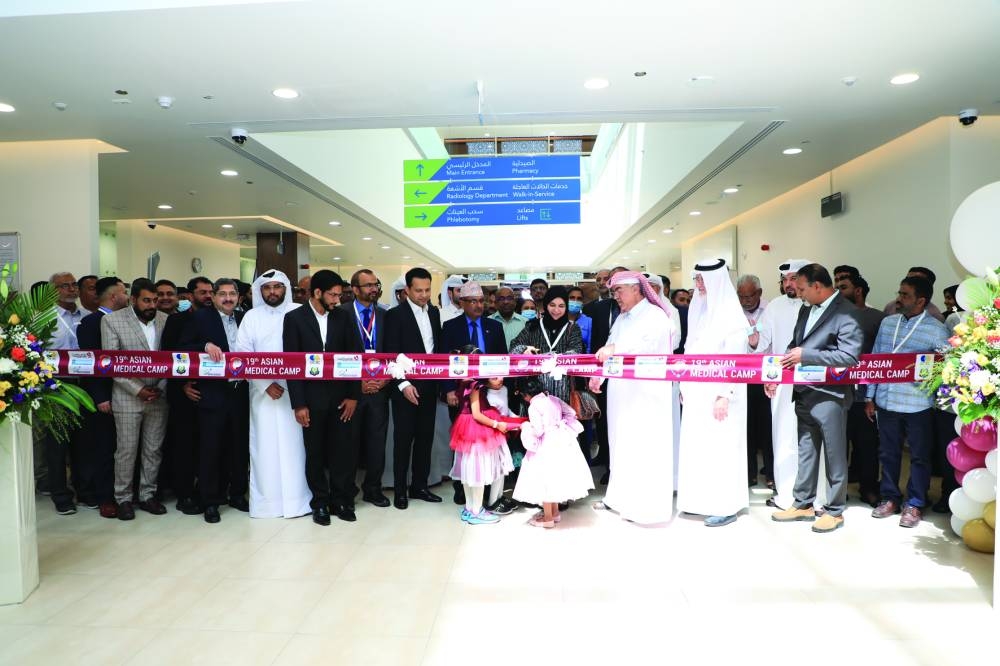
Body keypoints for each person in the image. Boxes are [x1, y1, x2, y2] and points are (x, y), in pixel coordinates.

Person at [770, 263, 863, 534]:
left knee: (834, 454)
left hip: (830, 395)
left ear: (817, 287)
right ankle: (803, 503)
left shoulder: (847, 314)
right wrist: (777, 370)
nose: (798, 294)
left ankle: (834, 510)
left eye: (801, 289)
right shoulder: (806, 308)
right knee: (806, 450)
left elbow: (849, 357)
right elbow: (795, 343)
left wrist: (806, 356)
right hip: (804, 391)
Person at [588, 270, 675, 524]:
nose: (616, 296)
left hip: (646, 395)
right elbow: (608, 347)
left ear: (637, 290)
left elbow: (645, 348)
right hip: (621, 393)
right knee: (621, 443)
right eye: (614, 292)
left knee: (643, 445)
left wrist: (615, 350)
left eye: (619, 291)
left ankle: (645, 507)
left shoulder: (656, 316)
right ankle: (619, 498)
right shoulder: (622, 319)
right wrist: (599, 375)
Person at [866, 276, 950, 528]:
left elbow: (945, 368)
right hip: (887, 401)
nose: (898, 299)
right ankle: (890, 497)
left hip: (918, 404)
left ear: (921, 300)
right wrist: (870, 396)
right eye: (899, 293)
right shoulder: (888, 323)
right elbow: (876, 360)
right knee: (888, 453)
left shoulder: (936, 329)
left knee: (920, 456)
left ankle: (914, 502)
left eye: (904, 295)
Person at [283, 270, 360, 525]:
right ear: (317, 293)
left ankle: (342, 501)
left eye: (340, 294)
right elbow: (292, 364)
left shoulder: (344, 317)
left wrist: (353, 396)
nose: (337, 299)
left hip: (341, 399)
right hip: (311, 400)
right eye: (333, 294)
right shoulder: (294, 319)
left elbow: (355, 357)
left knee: (342, 453)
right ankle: (320, 503)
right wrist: (299, 404)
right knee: (314, 453)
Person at [675, 260, 749, 527]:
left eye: (701, 280)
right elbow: (688, 351)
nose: (697, 285)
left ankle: (725, 504)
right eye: (695, 280)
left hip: (721, 394)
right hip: (696, 393)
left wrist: (724, 394)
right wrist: (685, 386)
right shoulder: (699, 310)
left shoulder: (731, 315)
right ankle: (698, 501)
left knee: (723, 447)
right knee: (698, 446)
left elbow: (736, 360)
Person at [234, 269, 312, 519]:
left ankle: (298, 502)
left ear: (285, 289)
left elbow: (307, 352)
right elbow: (242, 354)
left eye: (277, 287)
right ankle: (267, 504)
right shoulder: (251, 317)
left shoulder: (299, 313)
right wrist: (264, 383)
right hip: (262, 395)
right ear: (260, 291)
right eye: (267, 288)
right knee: (264, 448)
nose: (272, 292)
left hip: (296, 392)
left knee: (296, 448)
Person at [179, 278, 250, 523]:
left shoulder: (245, 319)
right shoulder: (200, 318)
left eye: (232, 294)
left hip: (241, 392)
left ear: (239, 297)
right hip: (213, 393)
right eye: (223, 294)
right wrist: (205, 345)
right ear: (214, 297)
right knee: (211, 448)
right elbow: (183, 348)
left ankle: (238, 495)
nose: (228, 298)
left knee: (239, 447)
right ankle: (210, 501)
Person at [100, 278, 170, 521]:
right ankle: (123, 499)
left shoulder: (165, 320)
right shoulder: (112, 321)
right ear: (133, 300)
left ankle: (148, 495)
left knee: (154, 450)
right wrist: (137, 389)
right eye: (147, 300)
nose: (152, 305)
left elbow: (173, 359)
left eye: (155, 300)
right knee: (127, 451)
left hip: (159, 395)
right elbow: (110, 362)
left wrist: (160, 385)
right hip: (128, 396)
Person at [750, 260, 813, 511]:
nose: (788, 283)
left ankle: (814, 496)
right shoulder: (774, 307)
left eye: (794, 278)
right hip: (782, 383)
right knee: (784, 437)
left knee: (810, 440)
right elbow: (761, 336)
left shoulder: (817, 306)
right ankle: (786, 494)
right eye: (785, 279)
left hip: (812, 383)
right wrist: (751, 336)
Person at [440, 281, 508, 504]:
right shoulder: (450, 327)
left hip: (491, 392)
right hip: (461, 395)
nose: (479, 305)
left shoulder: (494, 327)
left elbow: (502, 358)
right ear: (462, 303)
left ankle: (487, 488)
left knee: (488, 442)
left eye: (481, 301)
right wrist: (449, 389)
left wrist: (498, 379)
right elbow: (444, 362)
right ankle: (462, 488)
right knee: (464, 444)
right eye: (473, 301)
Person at [383, 267, 444, 509]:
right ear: (406, 290)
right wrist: (403, 385)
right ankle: (400, 490)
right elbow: (391, 353)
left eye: (427, 290)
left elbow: (435, 350)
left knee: (425, 439)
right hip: (405, 389)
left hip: (429, 387)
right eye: (418, 290)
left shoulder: (434, 314)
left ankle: (420, 485)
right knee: (402, 440)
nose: (423, 295)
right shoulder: (394, 315)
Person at [160, 276, 214, 516]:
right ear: (191, 295)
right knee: (184, 446)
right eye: (202, 292)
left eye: (210, 292)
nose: (208, 296)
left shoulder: (215, 318)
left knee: (207, 445)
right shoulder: (177, 321)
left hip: (210, 392)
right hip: (183, 393)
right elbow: (170, 356)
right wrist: (182, 385)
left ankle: (207, 491)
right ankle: (184, 494)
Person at [76, 276, 128, 519]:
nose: (127, 297)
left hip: (128, 393)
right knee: (104, 448)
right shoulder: (90, 322)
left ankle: (124, 494)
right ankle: (104, 497)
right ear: (114, 296)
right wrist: (100, 397)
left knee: (122, 448)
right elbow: (92, 364)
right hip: (105, 397)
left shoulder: (128, 320)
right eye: (124, 293)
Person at [514, 376, 593, 528]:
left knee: (545, 479)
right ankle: (555, 513)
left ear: (526, 394)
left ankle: (548, 518)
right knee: (555, 476)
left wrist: (525, 426)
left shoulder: (534, 406)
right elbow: (571, 412)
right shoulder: (553, 399)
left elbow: (538, 431)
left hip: (547, 444)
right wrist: (559, 424)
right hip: (562, 440)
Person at [835, 272, 885, 507]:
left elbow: (882, 358)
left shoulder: (877, 318)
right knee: (837, 446)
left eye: (842, 287)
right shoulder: (833, 317)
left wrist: (873, 396)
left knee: (867, 446)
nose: (837, 291)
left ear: (858, 291)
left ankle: (869, 488)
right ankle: (838, 491)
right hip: (837, 392)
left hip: (865, 395)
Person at [342, 269, 391, 508]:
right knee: (348, 444)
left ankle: (373, 489)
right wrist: (356, 381)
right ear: (354, 289)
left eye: (376, 284)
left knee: (376, 443)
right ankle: (347, 491)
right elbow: (334, 354)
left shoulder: (385, 315)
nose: (374, 289)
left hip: (380, 389)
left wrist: (387, 378)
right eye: (368, 285)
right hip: (351, 391)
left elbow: (394, 351)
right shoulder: (340, 315)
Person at [449, 366, 524, 524]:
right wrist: (497, 424)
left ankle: (470, 509)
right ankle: (477, 512)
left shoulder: (463, 381)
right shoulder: (475, 385)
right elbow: (477, 414)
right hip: (477, 429)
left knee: (468, 471)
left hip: (465, 427)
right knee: (478, 471)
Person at [510, 286, 584, 404]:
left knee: (559, 421)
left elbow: (576, 351)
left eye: (561, 306)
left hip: (562, 390)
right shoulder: (533, 327)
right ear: (546, 304)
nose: (556, 310)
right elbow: (513, 348)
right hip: (534, 392)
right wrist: (524, 349)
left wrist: (554, 359)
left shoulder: (573, 328)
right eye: (552, 305)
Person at [738, 274, 773, 489]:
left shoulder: (771, 310)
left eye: (749, 296)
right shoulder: (733, 313)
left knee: (769, 428)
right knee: (746, 428)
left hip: (767, 377)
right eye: (741, 296)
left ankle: (771, 473)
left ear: (759, 293)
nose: (745, 301)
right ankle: (749, 473)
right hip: (742, 378)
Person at [566, 286, 592, 352]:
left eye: (579, 299)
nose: (575, 301)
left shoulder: (589, 321)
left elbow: (590, 347)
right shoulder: (559, 320)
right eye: (572, 298)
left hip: (582, 360)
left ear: (582, 302)